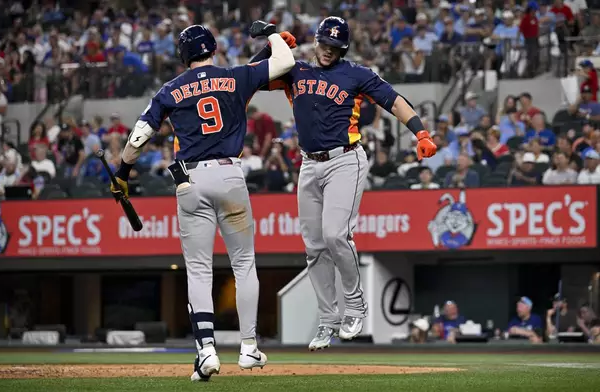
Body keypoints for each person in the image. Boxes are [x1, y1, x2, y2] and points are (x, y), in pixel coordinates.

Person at [109, 23, 295, 381]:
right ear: (213, 47)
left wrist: (122, 173)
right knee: (244, 264)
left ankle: (206, 350)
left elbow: (137, 136)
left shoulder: (170, 89)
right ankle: (248, 347)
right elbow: (284, 63)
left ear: (183, 55)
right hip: (229, 174)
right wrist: (272, 35)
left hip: (189, 181)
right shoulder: (234, 76)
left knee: (197, 269)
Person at [250, 16, 437, 350]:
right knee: (313, 247)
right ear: (317, 41)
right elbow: (247, 78)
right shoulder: (295, 70)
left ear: (343, 49)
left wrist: (420, 131)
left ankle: (354, 305)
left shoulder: (356, 73)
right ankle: (327, 320)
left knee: (336, 234)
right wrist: (271, 47)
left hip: (345, 159)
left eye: (334, 47)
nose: (328, 51)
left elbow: (393, 100)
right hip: (309, 164)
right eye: (324, 44)